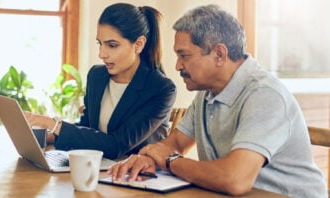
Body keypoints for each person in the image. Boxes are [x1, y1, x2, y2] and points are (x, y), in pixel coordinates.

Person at [107, 4, 327, 197]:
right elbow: (174, 143)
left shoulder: (265, 96)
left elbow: (235, 179)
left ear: (219, 55)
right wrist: (149, 157)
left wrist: (170, 161)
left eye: (184, 55)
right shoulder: (207, 92)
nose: (178, 66)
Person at [24, 3, 177, 160]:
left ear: (138, 44)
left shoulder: (161, 89)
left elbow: (117, 145)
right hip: (98, 168)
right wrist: (52, 135)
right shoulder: (97, 76)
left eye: (112, 45)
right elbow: (87, 128)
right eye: (100, 43)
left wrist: (54, 124)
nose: (102, 54)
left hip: (137, 178)